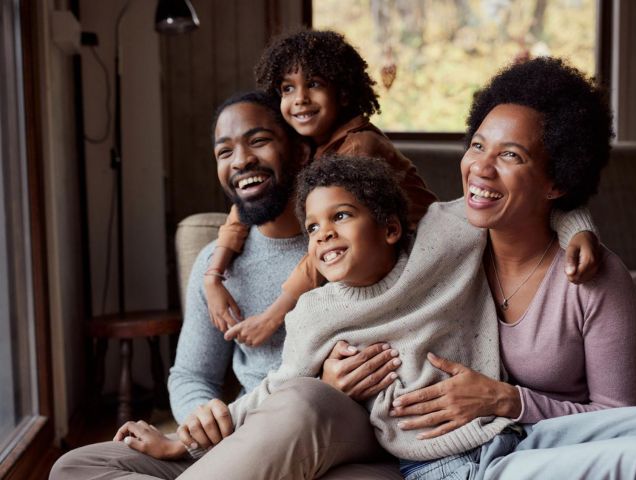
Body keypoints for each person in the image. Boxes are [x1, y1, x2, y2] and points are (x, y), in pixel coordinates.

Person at [49, 92, 403, 479]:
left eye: (258, 141)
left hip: (338, 437)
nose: (241, 160)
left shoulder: (348, 242)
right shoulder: (217, 264)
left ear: (301, 152)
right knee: (78, 467)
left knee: (304, 400)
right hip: (243, 435)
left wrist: (327, 386)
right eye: (224, 151)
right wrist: (203, 417)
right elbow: (190, 374)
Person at [206, 29, 600, 349]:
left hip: (426, 252)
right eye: (287, 89)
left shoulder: (359, 147)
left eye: (314, 85)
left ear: (342, 92)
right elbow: (245, 199)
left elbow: (326, 245)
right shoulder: (306, 146)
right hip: (385, 256)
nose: (299, 99)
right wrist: (214, 273)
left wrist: (276, 313)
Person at [112, 153, 514, 464]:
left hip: (502, 428)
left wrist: (579, 231)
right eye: (313, 228)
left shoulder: (442, 238)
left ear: (391, 228)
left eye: (340, 216)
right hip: (424, 458)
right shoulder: (313, 312)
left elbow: (530, 197)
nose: (324, 235)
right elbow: (274, 389)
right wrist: (179, 441)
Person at [388, 57, 636, 479]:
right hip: (478, 455)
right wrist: (331, 368)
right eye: (478, 146)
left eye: (510, 155)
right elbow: (361, 295)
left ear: (557, 183)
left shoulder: (594, 277)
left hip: (557, 438)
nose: (480, 167)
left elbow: (615, 420)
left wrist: (508, 400)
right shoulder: (442, 239)